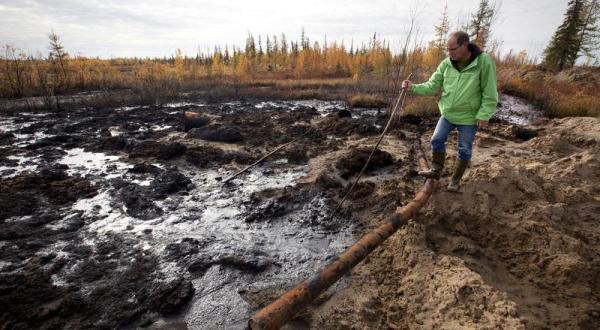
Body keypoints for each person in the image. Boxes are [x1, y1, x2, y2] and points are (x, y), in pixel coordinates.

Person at [402, 31, 498, 191]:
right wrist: (412, 87)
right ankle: (436, 170)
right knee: (436, 140)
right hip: (447, 114)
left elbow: (490, 92)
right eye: (447, 49)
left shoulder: (483, 62)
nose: (449, 53)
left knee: (464, 149)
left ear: (465, 45)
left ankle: (455, 180)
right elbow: (431, 86)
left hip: (469, 117)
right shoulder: (446, 64)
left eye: (453, 49)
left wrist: (484, 115)